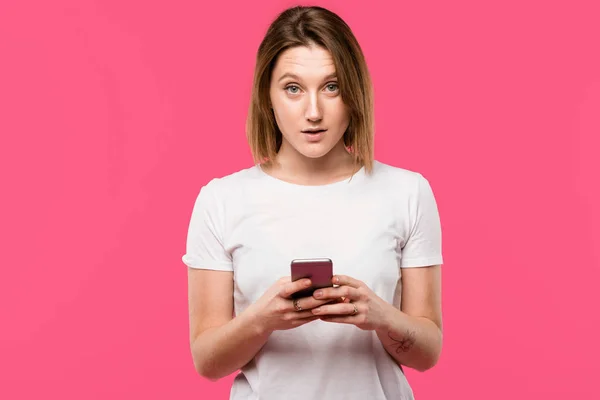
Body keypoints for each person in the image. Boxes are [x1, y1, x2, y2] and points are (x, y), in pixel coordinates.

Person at [182, 5, 444, 400]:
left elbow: (427, 353)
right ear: (267, 96)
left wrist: (380, 316)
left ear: (353, 93)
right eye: (293, 88)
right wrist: (264, 319)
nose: (314, 112)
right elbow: (207, 361)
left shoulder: (407, 193)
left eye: (331, 86)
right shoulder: (221, 201)